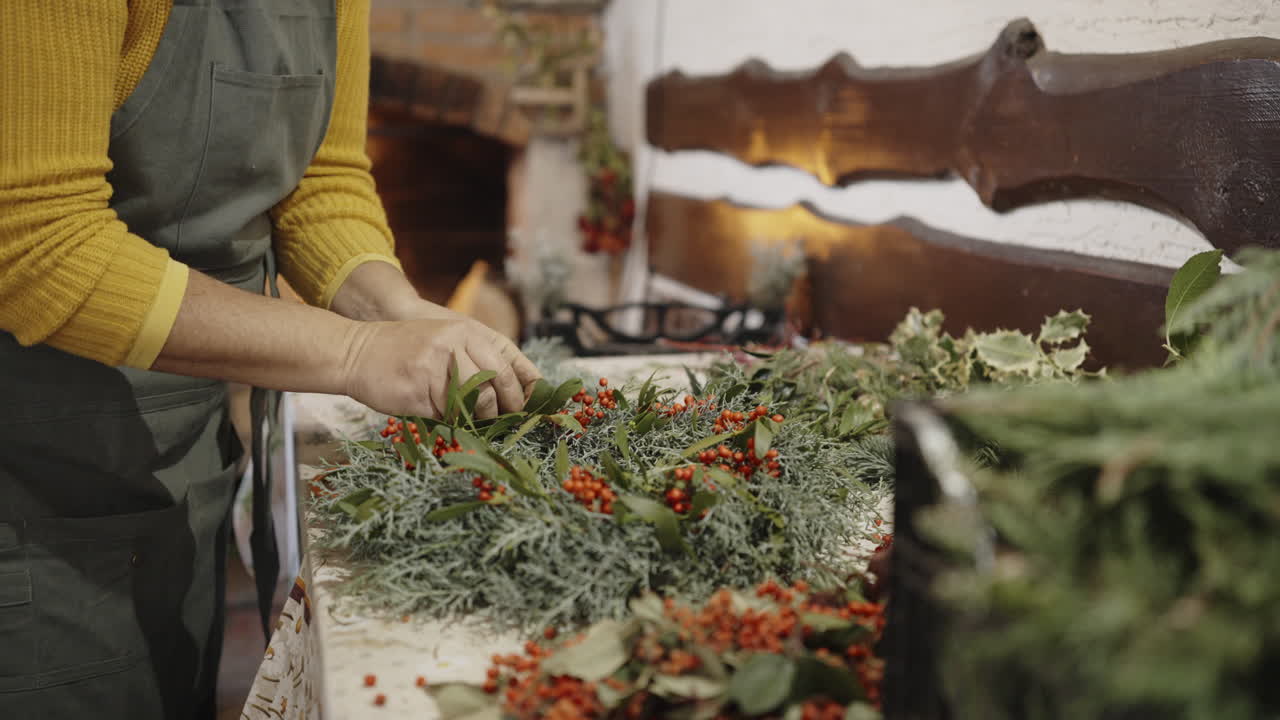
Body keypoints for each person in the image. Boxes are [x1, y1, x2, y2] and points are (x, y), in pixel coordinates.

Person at [0, 1, 541, 717]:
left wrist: (405, 313)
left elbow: (322, 182)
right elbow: (41, 245)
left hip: (180, 455)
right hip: (32, 469)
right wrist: (354, 350)